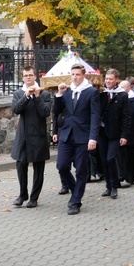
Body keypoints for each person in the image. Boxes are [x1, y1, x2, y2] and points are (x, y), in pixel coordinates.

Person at [52, 63, 101, 215]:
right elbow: (57, 111)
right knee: (62, 166)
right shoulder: (67, 91)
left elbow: (95, 116)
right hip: (66, 135)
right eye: (72, 74)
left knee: (80, 169)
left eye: (77, 74)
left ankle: (75, 201)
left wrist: (93, 138)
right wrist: (59, 95)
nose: (74, 77)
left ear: (83, 75)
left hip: (83, 136)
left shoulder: (91, 92)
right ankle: (75, 191)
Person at [11, 66, 52, 208]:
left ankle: (34, 197)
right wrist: (26, 96)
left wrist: (37, 97)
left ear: (35, 77)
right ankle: (23, 194)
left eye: (30, 75)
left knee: (38, 167)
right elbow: (16, 109)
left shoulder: (44, 94)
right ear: (23, 78)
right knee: (21, 164)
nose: (28, 77)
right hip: (23, 136)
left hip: (38, 135)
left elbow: (45, 112)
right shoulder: (18, 93)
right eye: (25, 76)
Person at [97, 69, 130, 199]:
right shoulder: (101, 93)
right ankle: (108, 186)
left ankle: (115, 186)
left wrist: (124, 135)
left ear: (116, 79)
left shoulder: (122, 95)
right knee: (104, 160)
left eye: (111, 79)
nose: (108, 81)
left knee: (111, 159)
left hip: (115, 133)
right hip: (102, 131)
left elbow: (126, 117)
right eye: (106, 79)